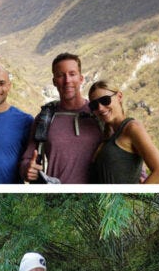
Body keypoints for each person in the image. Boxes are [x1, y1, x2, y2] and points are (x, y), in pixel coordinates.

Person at [19, 53, 101, 184]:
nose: (67, 80)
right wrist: (27, 169)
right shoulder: (44, 118)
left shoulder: (98, 114)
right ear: (54, 81)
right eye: (60, 75)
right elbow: (27, 159)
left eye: (72, 74)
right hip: (55, 198)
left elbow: (121, 148)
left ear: (81, 78)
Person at [87, 81, 159, 184]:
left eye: (105, 100)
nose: (100, 108)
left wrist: (134, 196)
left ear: (119, 96)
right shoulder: (110, 135)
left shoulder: (132, 128)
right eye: (94, 105)